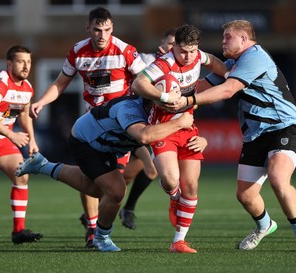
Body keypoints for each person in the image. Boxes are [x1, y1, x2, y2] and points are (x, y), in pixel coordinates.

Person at [172, 20, 296, 252]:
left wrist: (187, 101)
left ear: (244, 39)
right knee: (245, 196)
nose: (223, 41)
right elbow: (199, 87)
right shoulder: (233, 64)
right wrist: (164, 88)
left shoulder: (255, 57)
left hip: (283, 127)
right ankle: (264, 226)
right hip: (254, 135)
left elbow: (227, 90)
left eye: (228, 36)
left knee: (279, 178)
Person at [29, 7, 165, 247]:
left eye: (107, 30)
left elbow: (145, 81)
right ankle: (94, 230)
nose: (102, 35)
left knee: (106, 185)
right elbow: (60, 83)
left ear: (112, 29)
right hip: (92, 124)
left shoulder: (124, 51)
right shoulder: (78, 52)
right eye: (97, 29)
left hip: (121, 125)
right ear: (88, 28)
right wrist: (41, 101)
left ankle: (49, 171)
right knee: (103, 183)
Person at [15, 94, 194, 252]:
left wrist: (200, 140)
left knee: (94, 188)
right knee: (116, 191)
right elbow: (143, 136)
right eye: (170, 100)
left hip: (112, 144)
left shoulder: (159, 112)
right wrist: (178, 123)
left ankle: (42, 166)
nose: (174, 105)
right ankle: (101, 238)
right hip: (88, 141)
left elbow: (176, 133)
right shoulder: (129, 108)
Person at [131, 24, 227, 253]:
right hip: (163, 127)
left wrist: (229, 75)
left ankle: (178, 242)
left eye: (192, 51)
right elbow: (138, 84)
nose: (188, 56)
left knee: (191, 186)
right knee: (171, 180)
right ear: (175, 48)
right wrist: (163, 96)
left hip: (187, 126)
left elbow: (213, 61)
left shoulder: (197, 57)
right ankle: (174, 198)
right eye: (183, 51)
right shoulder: (164, 63)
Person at [0, 45, 42, 244]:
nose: (26, 66)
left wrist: (32, 140)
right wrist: (12, 135)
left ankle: (18, 231)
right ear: (9, 64)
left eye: (28, 62)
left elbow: (24, 116)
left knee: (21, 175)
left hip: (0, 140)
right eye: (21, 62)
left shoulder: (27, 87)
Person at [118, 27, 177, 230]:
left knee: (127, 175)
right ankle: (125, 209)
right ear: (163, 43)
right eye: (171, 43)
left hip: (151, 126)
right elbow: (138, 82)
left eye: (176, 45)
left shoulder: (182, 68)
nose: (173, 48)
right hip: (131, 121)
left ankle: (100, 207)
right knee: (150, 170)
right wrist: (156, 65)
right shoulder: (145, 59)